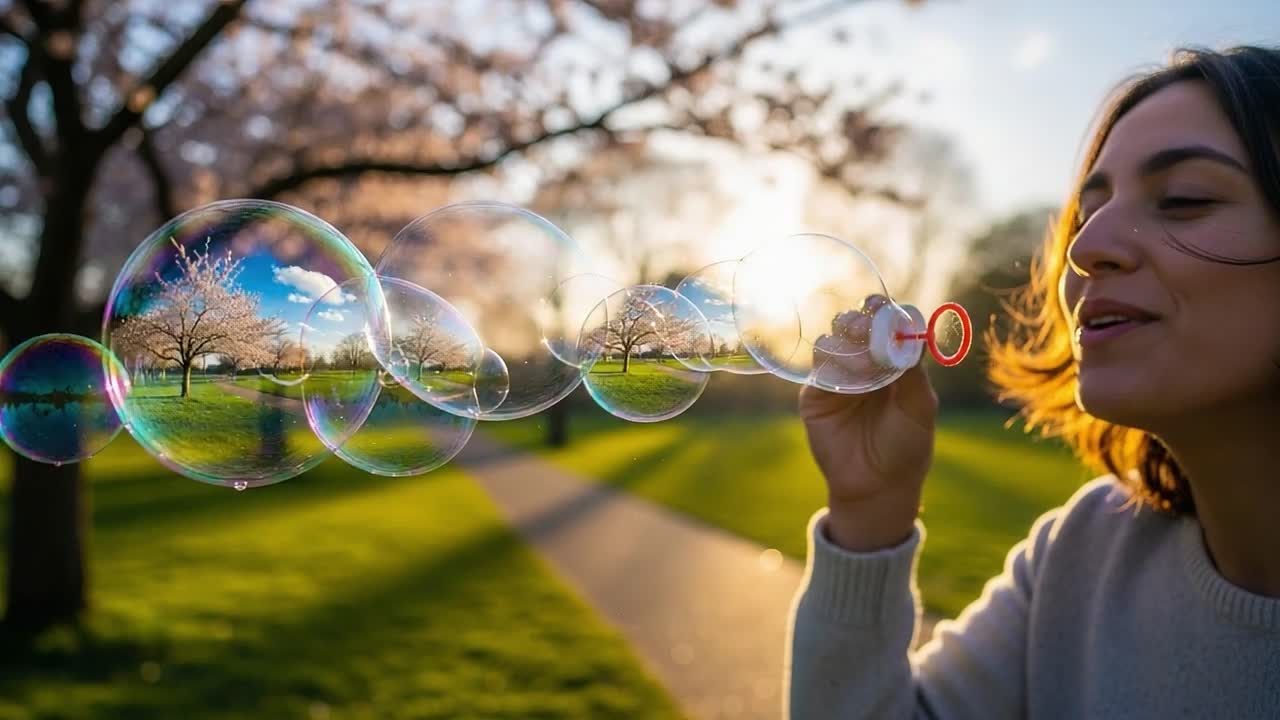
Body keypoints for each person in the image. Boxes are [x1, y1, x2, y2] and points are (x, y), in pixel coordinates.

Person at [785, 45, 1280, 719]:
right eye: (1086, 212)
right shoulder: (1079, 554)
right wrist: (870, 510)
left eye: (1184, 198)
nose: (1082, 246)